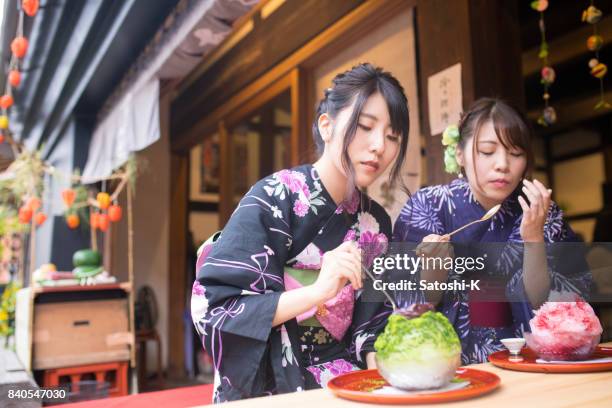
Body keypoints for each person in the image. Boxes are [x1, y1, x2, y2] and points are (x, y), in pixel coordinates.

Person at [191, 63, 410, 402]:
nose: (379, 145)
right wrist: (318, 291)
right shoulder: (274, 196)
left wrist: (386, 379)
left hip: (346, 380)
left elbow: (373, 324)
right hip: (273, 380)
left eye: (392, 135)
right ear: (327, 126)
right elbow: (218, 310)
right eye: (365, 126)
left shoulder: (375, 221)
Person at [393, 98, 592, 364]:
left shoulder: (541, 211)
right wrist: (434, 268)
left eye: (516, 153)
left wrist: (533, 239)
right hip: (448, 364)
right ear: (460, 154)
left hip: (529, 361)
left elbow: (557, 307)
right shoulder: (428, 206)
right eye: (487, 151)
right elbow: (408, 304)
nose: (503, 164)